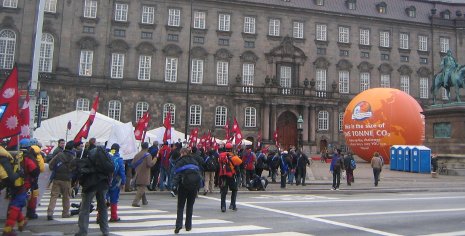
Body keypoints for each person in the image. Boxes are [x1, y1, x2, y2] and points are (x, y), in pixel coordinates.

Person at [75, 145, 114, 236]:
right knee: (102, 208)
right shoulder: (105, 161)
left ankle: (83, 231)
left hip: (90, 185)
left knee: (85, 209)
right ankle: (105, 230)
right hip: (103, 185)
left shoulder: (88, 160)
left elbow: (81, 173)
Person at [171, 147, 202, 234]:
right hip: (194, 187)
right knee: (190, 206)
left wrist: (174, 186)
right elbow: (199, 175)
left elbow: (177, 175)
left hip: (183, 186)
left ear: (183, 153)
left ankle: (178, 225)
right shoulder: (195, 161)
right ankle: (188, 226)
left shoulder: (180, 162)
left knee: (180, 206)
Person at [1, 145, 28, 236]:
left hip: (17, 185)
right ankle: (21, 222)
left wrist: (19, 174)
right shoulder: (6, 157)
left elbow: (12, 177)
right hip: (15, 185)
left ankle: (8, 229)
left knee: (14, 207)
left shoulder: (3, 159)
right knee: (14, 206)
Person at [47, 141, 75, 221]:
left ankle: (50, 212)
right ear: (72, 148)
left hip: (57, 178)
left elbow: (51, 165)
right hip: (67, 179)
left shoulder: (59, 154)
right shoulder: (73, 157)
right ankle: (65, 213)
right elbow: (74, 168)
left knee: (54, 196)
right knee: (66, 197)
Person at [131, 142, 157, 207]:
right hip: (144, 174)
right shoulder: (148, 155)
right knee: (142, 188)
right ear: (147, 147)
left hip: (137, 173)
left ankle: (144, 201)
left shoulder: (137, 154)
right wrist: (155, 160)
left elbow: (133, 164)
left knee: (141, 187)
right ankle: (135, 202)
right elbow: (149, 164)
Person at [218, 142, 242, 212]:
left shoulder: (221, 156)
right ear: (231, 149)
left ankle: (223, 206)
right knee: (234, 190)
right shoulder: (234, 157)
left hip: (223, 176)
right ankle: (232, 205)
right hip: (231, 176)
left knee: (223, 192)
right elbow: (240, 162)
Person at [107, 143, 126, 222]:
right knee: (114, 199)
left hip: (105, 181)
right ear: (118, 150)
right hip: (114, 182)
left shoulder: (107, 157)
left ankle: (99, 216)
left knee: (104, 199)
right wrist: (123, 182)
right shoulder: (119, 159)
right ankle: (114, 216)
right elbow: (122, 172)